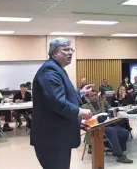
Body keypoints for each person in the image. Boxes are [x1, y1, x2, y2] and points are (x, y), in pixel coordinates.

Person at [30, 37, 92, 169]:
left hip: (57, 136)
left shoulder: (57, 69)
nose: (70, 53)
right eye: (65, 50)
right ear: (54, 53)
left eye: (71, 50)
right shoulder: (49, 71)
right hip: (52, 138)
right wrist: (80, 111)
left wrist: (80, 93)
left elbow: (61, 94)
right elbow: (57, 102)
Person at [82, 91, 133, 164]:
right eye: (92, 96)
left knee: (124, 132)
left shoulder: (103, 103)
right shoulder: (85, 107)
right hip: (95, 128)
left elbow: (112, 111)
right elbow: (84, 120)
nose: (95, 96)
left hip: (107, 124)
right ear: (88, 98)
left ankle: (116, 150)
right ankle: (119, 155)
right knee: (112, 131)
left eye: (96, 95)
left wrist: (109, 107)